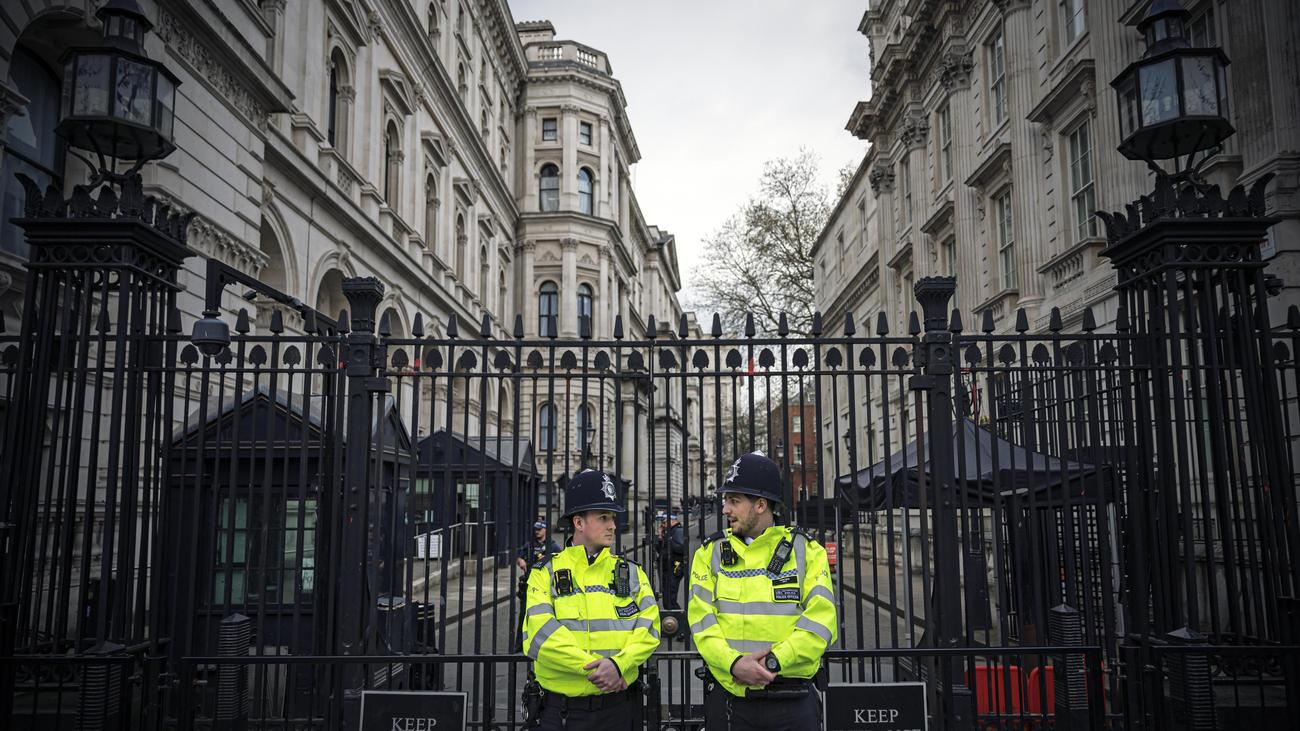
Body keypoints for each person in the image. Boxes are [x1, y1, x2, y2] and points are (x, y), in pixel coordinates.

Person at [687, 452, 837, 730]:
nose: (725, 509)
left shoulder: (806, 551)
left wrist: (773, 662)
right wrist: (734, 664)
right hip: (732, 699)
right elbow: (701, 622)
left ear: (760, 505)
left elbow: (822, 621)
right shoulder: (710, 553)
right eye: (725, 500)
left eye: (734, 501)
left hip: (794, 700)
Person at [521, 469, 661, 729]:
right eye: (603, 517)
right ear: (579, 523)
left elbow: (650, 627)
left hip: (619, 709)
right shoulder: (545, 572)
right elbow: (539, 635)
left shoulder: (632, 572)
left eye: (613, 517)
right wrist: (601, 670)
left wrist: (619, 665)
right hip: (562, 713)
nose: (613, 525)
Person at [655, 511, 686, 609]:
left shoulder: (678, 531)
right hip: (666, 567)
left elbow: (681, 549)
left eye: (664, 522)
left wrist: (669, 540)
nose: (662, 525)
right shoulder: (669, 532)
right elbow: (660, 550)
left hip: (674, 567)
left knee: (670, 598)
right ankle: (671, 618)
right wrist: (660, 536)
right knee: (666, 597)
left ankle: (678, 619)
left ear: (672, 520)